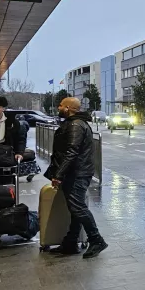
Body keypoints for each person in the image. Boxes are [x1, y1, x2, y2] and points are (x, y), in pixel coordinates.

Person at [46, 97, 106, 258]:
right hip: (76, 172)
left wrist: (58, 175)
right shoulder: (75, 123)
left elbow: (71, 152)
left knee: (78, 207)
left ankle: (96, 239)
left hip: (77, 173)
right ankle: (70, 243)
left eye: (61, 105)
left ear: (68, 108)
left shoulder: (75, 125)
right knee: (75, 208)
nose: (58, 107)